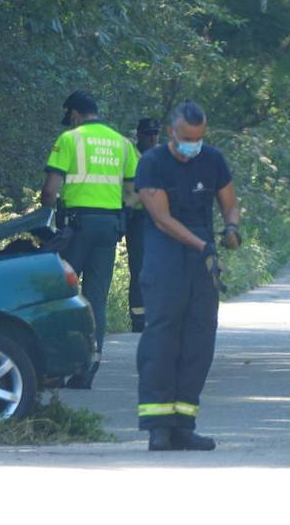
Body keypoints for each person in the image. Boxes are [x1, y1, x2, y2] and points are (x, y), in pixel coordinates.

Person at [134, 100, 241, 451]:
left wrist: (231, 227)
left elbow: (229, 201)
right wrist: (202, 245)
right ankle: (158, 427)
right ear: (171, 133)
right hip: (166, 257)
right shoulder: (152, 163)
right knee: (162, 338)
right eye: (186, 138)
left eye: (198, 138)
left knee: (199, 339)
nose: (192, 145)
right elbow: (162, 219)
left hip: (201, 263)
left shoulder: (212, 159)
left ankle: (183, 424)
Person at [41, 90, 138, 389]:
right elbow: (132, 196)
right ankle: (88, 369)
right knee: (96, 298)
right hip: (109, 227)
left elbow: (50, 190)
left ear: (74, 114)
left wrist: (44, 220)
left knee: (61, 295)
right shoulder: (123, 144)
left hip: (76, 228)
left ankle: (56, 369)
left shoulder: (70, 140)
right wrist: (121, 222)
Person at [125, 117, 162, 332]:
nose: (152, 137)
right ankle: (138, 320)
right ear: (139, 135)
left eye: (155, 133)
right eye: (148, 134)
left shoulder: (161, 157)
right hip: (137, 219)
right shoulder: (131, 154)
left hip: (159, 219)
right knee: (139, 269)